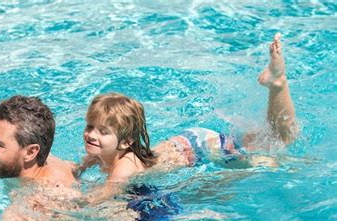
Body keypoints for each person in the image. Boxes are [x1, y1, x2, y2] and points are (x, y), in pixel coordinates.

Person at [75, 33, 297, 206]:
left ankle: (278, 83)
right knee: (267, 137)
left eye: (103, 131)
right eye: (90, 126)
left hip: (201, 147)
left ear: (126, 142)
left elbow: (99, 198)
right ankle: (276, 84)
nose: (91, 134)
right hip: (190, 140)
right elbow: (83, 165)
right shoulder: (104, 152)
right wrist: (77, 170)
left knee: (276, 143)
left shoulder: (124, 167)